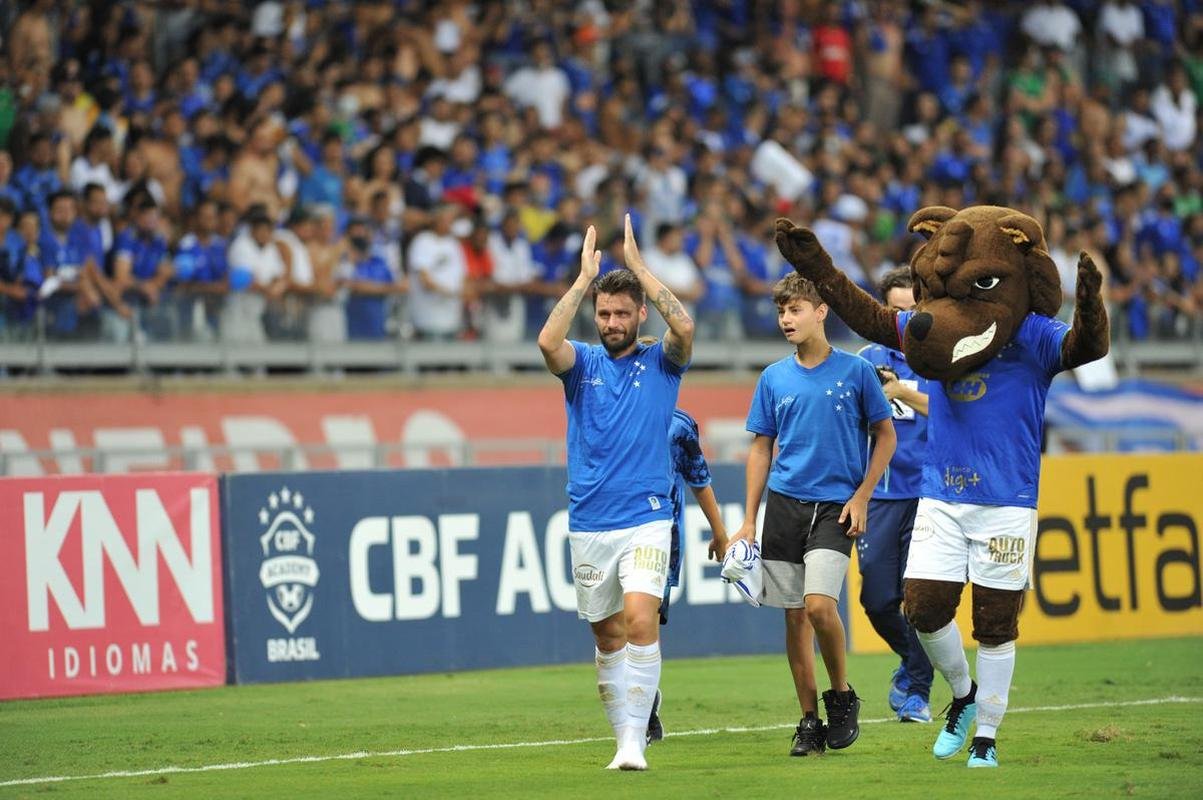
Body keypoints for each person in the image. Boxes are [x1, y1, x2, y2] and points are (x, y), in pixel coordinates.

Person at [537, 214, 694, 771]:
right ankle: (625, 733)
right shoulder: (582, 365)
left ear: (639, 315)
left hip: (648, 515)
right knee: (607, 639)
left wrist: (640, 269)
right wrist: (584, 280)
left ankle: (632, 744)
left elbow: (686, 328)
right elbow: (546, 341)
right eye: (603, 314)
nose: (611, 322)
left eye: (621, 313)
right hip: (589, 520)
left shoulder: (661, 362)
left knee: (640, 620)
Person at [729, 272, 896, 758]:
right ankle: (808, 721)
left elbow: (885, 436)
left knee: (821, 607)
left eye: (795, 309)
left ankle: (841, 695)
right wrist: (747, 520)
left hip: (834, 508)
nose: (786, 319)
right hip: (784, 506)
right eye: (782, 311)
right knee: (795, 620)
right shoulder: (773, 377)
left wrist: (863, 495)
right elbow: (761, 449)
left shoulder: (856, 372)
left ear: (821, 312)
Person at [855, 267, 935, 723]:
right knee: (878, 599)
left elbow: (955, 409)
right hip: (882, 495)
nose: (904, 320)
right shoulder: (866, 359)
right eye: (895, 311)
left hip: (930, 495)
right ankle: (914, 664)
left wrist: (903, 390)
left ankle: (917, 693)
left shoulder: (940, 359)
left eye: (912, 310)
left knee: (921, 600)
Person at [644, 402, 730, 744]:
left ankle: (644, 708)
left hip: (660, 535)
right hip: (608, 528)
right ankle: (641, 695)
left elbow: (699, 478)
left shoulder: (678, 425)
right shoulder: (610, 410)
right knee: (614, 625)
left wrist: (720, 531)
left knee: (642, 618)